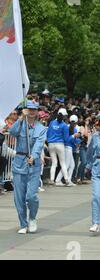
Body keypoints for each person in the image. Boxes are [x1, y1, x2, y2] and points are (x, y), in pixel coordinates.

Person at [8, 100, 47, 234]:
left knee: (31, 196)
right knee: (19, 197)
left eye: (34, 109)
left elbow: (39, 144)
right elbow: (12, 132)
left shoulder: (41, 129)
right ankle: (23, 223)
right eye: (29, 109)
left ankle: (32, 218)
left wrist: (34, 155)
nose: (31, 111)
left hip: (33, 164)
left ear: (37, 112)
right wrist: (20, 118)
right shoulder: (20, 124)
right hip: (19, 163)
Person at [46, 108, 70, 185]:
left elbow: (48, 134)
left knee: (54, 163)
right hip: (60, 144)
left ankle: (52, 179)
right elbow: (66, 138)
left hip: (51, 144)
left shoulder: (51, 123)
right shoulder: (64, 125)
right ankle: (66, 180)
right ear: (64, 116)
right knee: (62, 163)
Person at [55, 115, 80, 186]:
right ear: (76, 122)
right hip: (67, 148)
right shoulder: (72, 129)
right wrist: (76, 138)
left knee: (72, 165)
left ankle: (68, 180)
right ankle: (58, 180)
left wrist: (76, 139)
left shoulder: (67, 127)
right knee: (66, 165)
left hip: (66, 147)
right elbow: (70, 140)